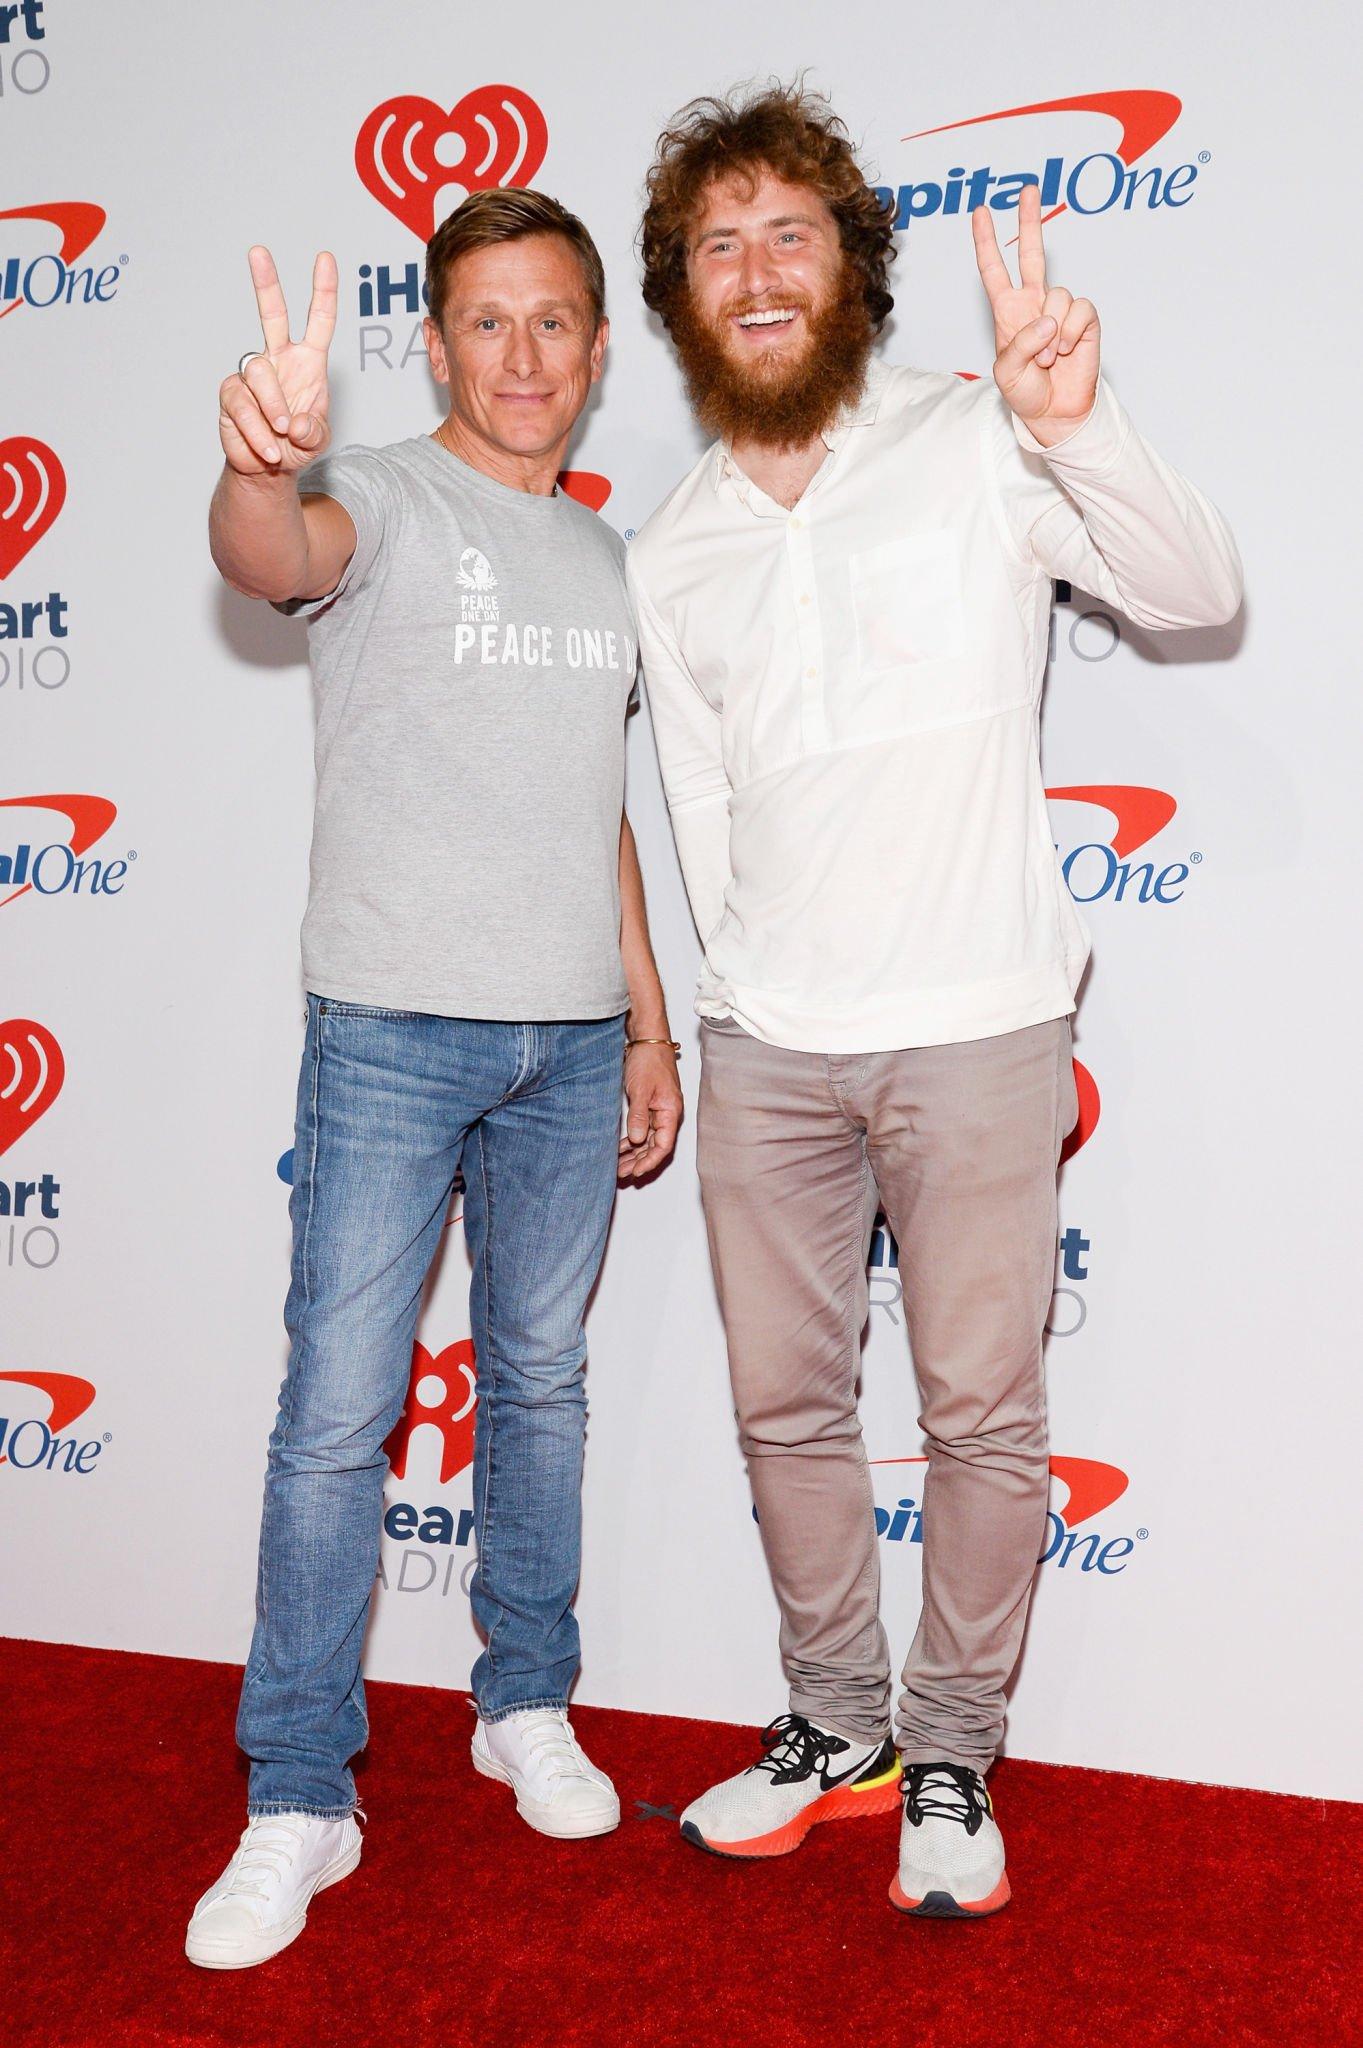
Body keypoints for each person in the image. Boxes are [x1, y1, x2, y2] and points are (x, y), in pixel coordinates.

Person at [628, 85, 1241, 1917]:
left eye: (789, 233)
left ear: (855, 268)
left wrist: (1080, 423)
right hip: (769, 1049)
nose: (756, 272)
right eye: (718, 244)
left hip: (978, 1026)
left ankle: (953, 1751)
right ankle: (840, 1728)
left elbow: (1198, 592)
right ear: (681, 295)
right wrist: (737, 1005)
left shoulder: (978, 440)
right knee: (785, 1409)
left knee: (981, 1415)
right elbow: (702, 809)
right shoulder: (671, 545)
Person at [187, 188, 683, 1971]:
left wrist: (646, 1019)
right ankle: (297, 1794)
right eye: (487, 320)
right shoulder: (383, 497)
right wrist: (257, 461)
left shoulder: (613, 561)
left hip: (571, 1043)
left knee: (541, 1387)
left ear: (599, 349)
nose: (523, 354)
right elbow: (272, 554)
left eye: (554, 322)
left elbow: (595, 810)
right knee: (338, 1415)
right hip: (391, 1033)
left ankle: (523, 1699)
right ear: (436, 343)